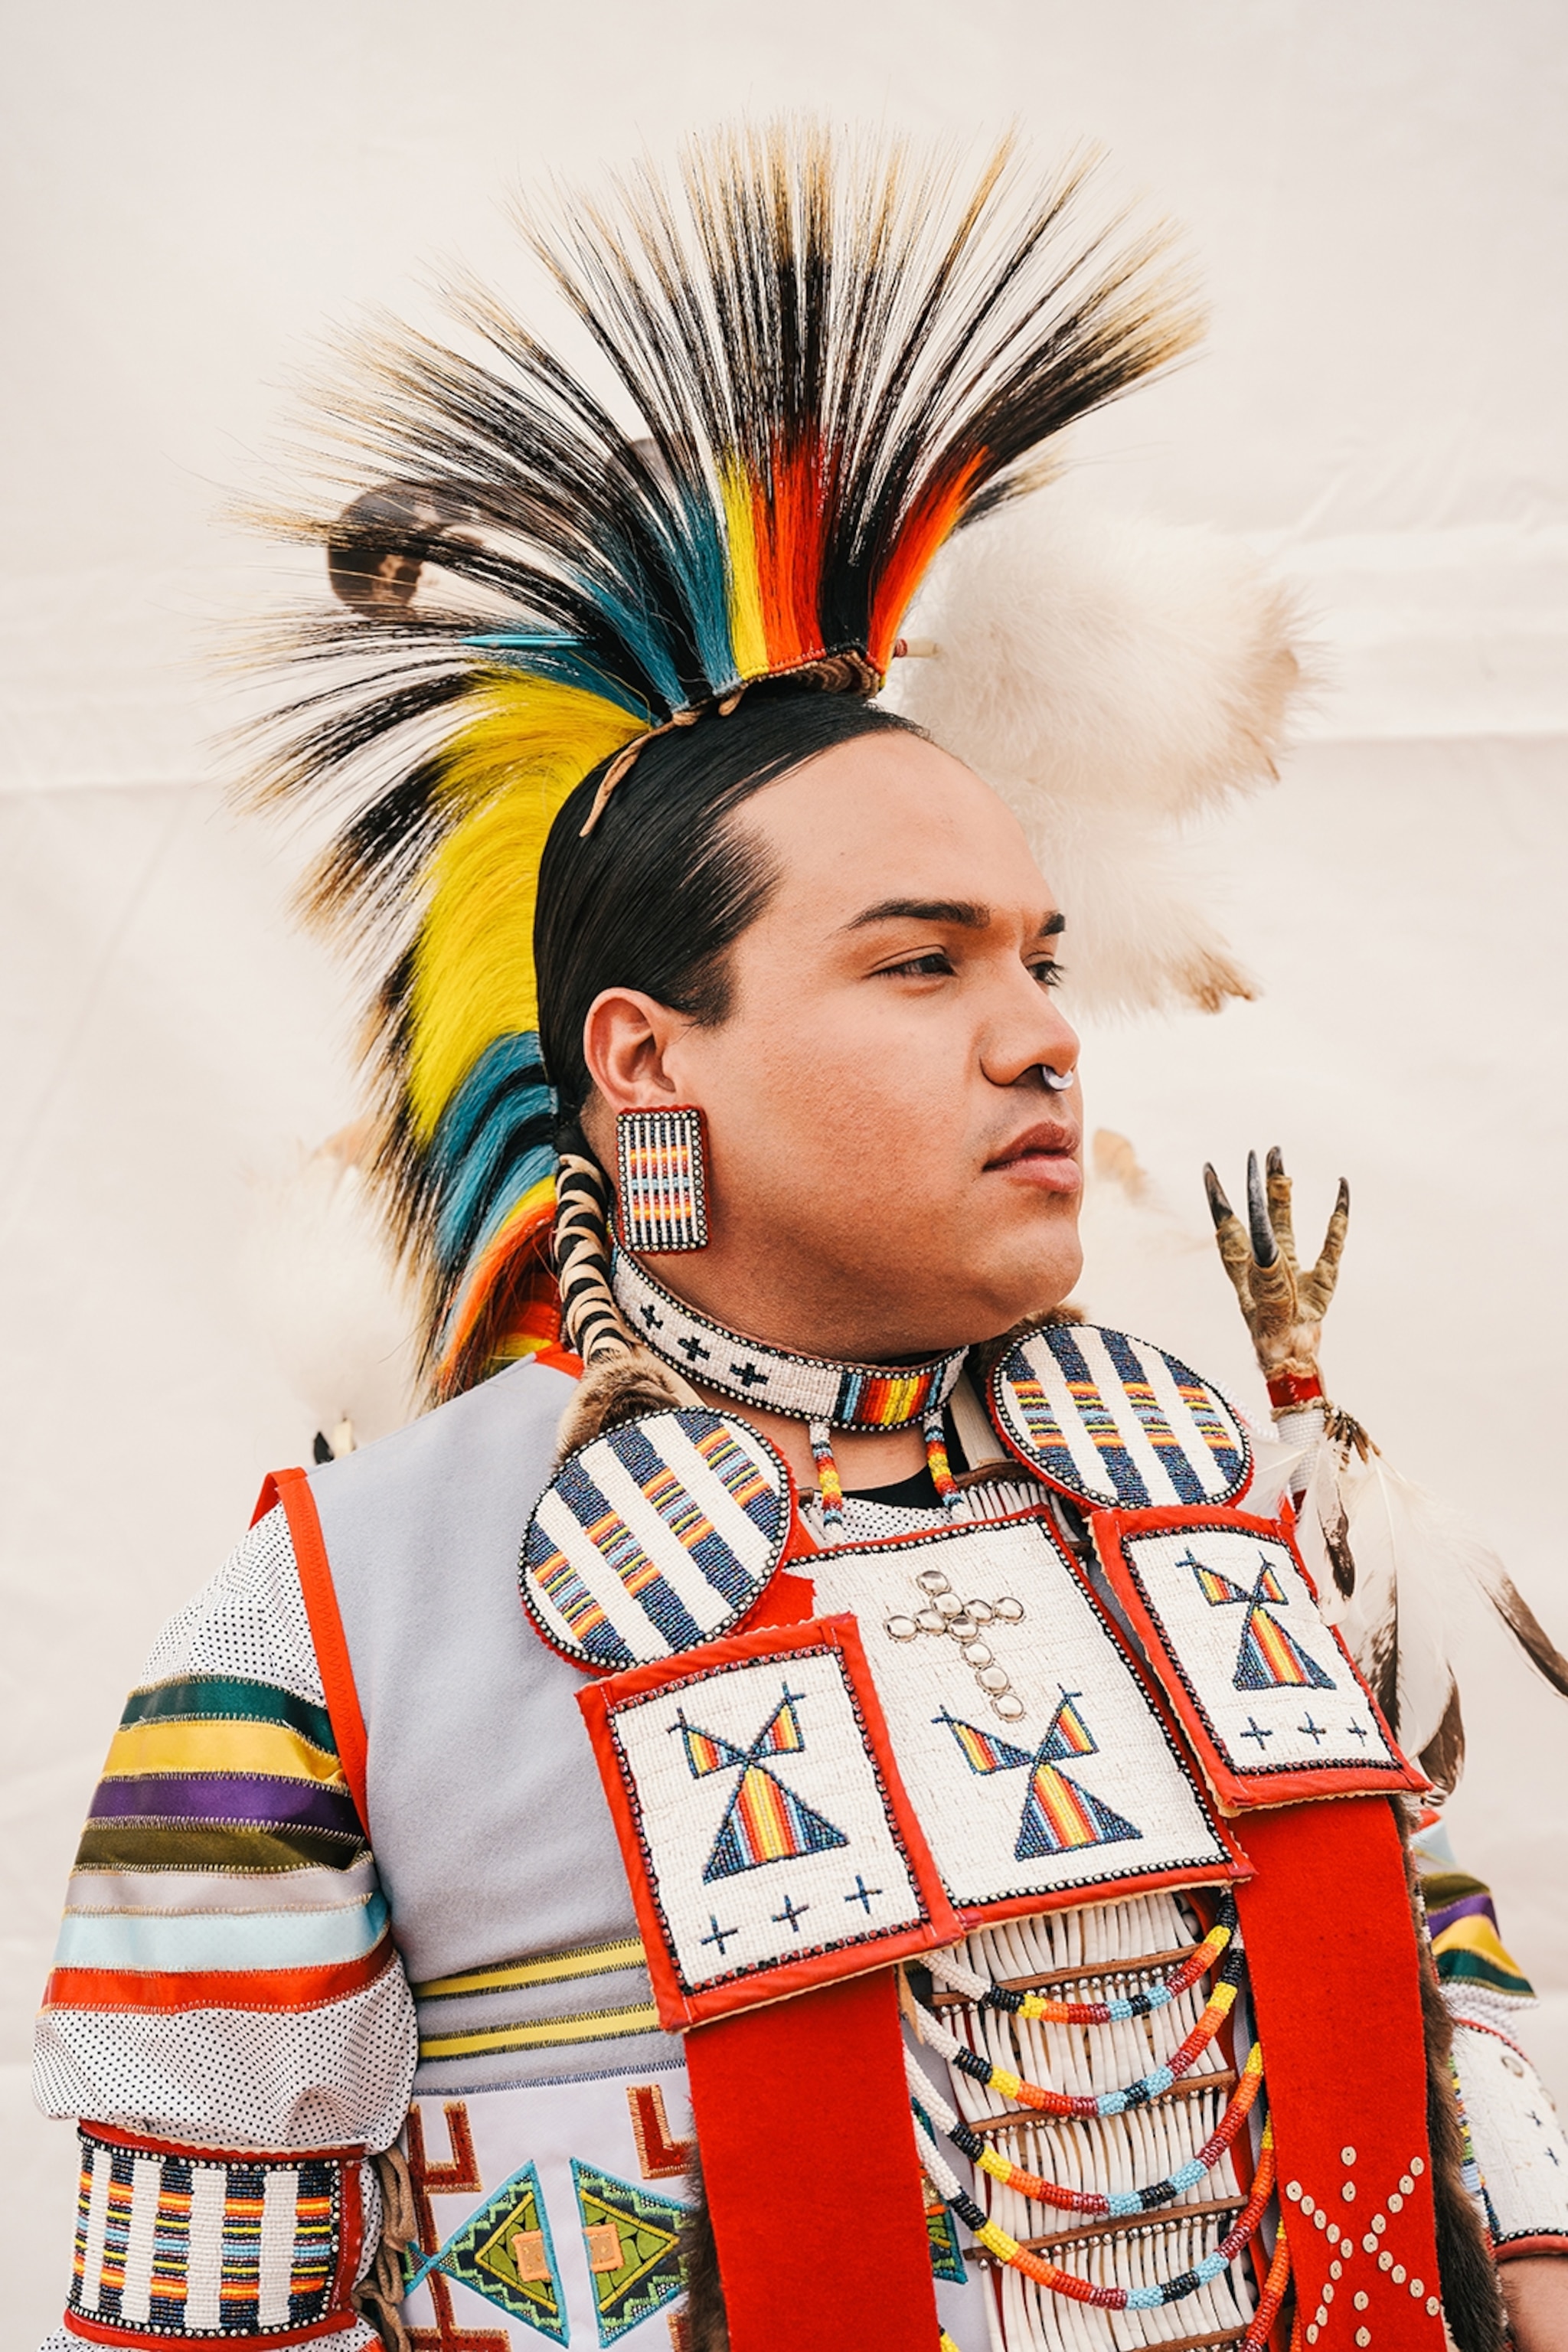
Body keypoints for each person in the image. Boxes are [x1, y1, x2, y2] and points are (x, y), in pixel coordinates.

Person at [34, 125, 1568, 2352]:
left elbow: (1438, 1951)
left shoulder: (1218, 1494)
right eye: (923, 964)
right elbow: (204, 2312)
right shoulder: (339, 1634)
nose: (1044, 1036)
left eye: (1040, 957)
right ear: (653, 1064)